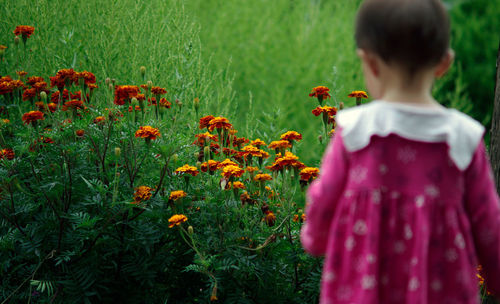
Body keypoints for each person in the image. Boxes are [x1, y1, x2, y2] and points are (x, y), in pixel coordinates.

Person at [300, 0, 500, 303]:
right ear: (444, 63)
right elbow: (490, 225)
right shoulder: (462, 138)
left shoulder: (355, 131)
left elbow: (324, 195)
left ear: (370, 62)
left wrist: (314, 237)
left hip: (360, 292)